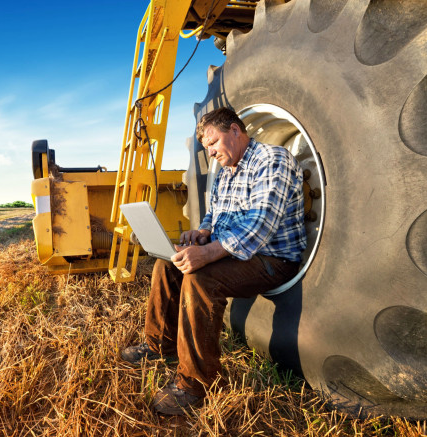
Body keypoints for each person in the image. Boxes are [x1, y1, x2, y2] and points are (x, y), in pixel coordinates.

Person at [121, 107, 307, 415]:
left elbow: (260, 224)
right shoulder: (225, 170)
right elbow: (215, 212)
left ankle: (196, 383)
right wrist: (203, 232)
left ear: (235, 130)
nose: (210, 152)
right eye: (206, 147)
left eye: (213, 142)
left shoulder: (272, 160)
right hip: (235, 253)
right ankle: (159, 346)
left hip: (271, 257)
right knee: (167, 265)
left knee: (200, 278)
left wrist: (207, 254)